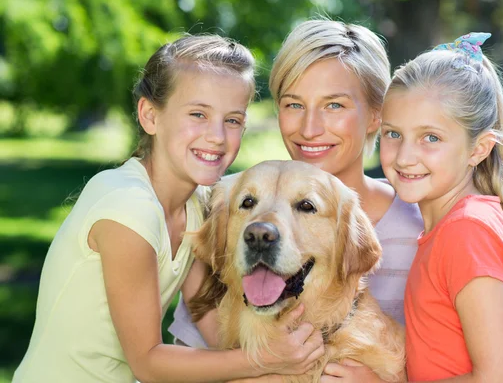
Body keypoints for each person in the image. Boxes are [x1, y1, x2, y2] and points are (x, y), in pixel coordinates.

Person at [13, 34, 324, 383]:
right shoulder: (128, 207)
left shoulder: (193, 208)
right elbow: (149, 363)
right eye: (198, 114)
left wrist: (300, 355)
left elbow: (211, 322)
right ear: (149, 116)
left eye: (233, 120)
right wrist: (265, 359)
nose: (217, 136)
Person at [168, 19, 424, 380]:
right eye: (293, 105)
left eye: (334, 105)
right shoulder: (222, 201)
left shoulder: (422, 227)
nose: (309, 128)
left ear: (377, 116)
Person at [379, 32, 503, 382]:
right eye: (393, 133)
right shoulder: (460, 224)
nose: (404, 156)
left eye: (431, 138)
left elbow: (499, 378)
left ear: (479, 149)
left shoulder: (465, 232)